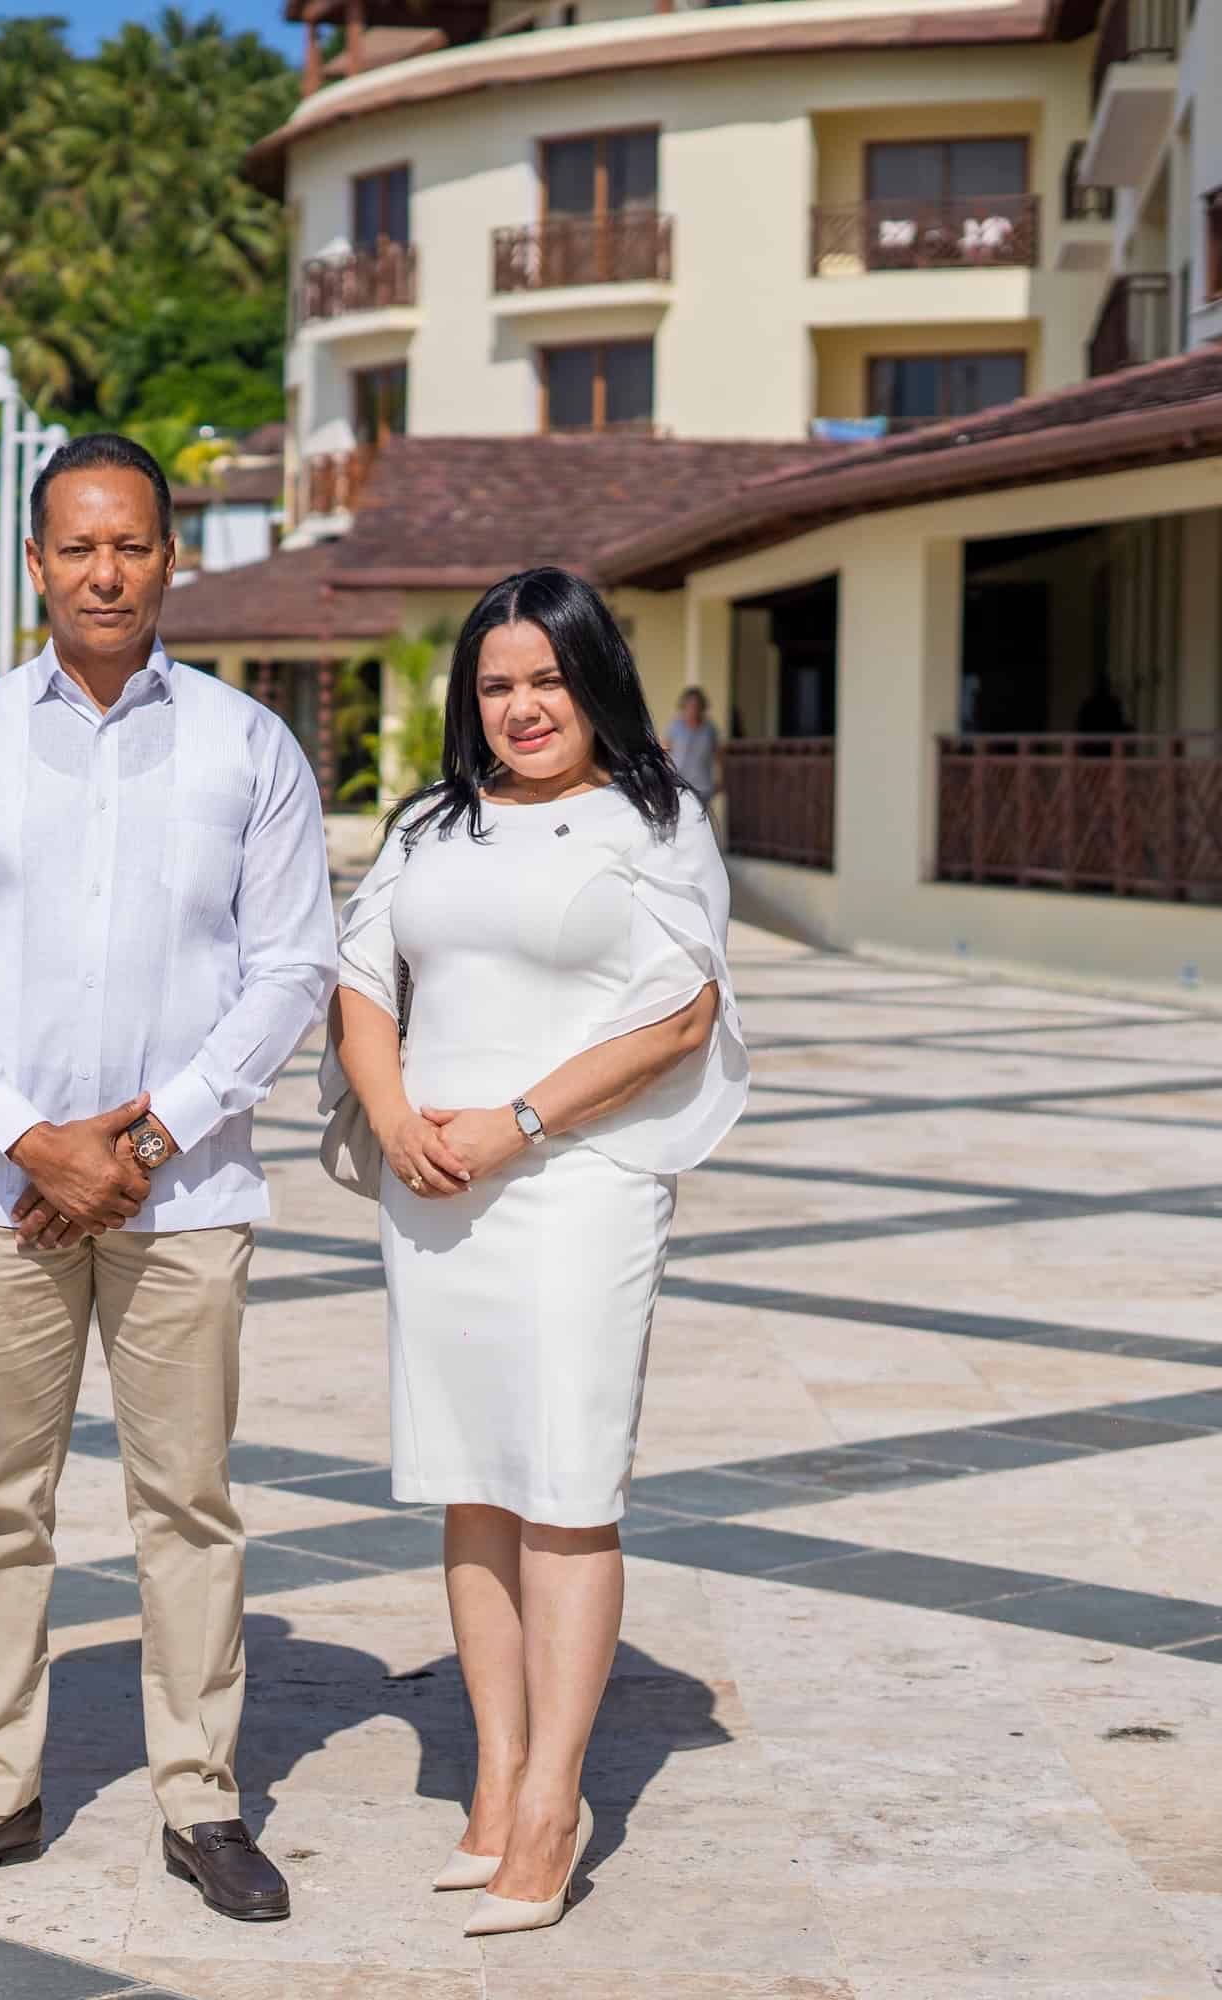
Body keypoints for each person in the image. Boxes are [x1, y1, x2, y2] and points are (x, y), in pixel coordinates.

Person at [0, 434, 339, 1923]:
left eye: (131, 544)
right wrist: (35, 1140)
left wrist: (142, 1142)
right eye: (77, 546)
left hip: (183, 1202)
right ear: (35, 563)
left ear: (170, 558)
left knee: (186, 1503)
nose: (105, 571)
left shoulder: (246, 747)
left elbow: (291, 969)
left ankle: (201, 1801)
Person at [326, 566, 746, 1937]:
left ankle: (556, 1801)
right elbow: (358, 979)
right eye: (497, 684)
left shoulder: (655, 821)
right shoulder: (429, 826)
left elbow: (681, 1018)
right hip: (435, 1184)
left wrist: (515, 1123)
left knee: (564, 1484)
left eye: (546, 680)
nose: (521, 707)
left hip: (577, 1183)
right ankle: (494, 1776)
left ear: (594, 680)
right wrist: (394, 1118)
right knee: (471, 1482)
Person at [663, 685, 719, 804]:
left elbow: (718, 755)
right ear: (684, 707)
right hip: (678, 784)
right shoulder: (675, 728)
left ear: (702, 707)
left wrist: (721, 779)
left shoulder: (710, 729)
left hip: (702, 787)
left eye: (696, 706)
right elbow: (665, 753)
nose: (693, 709)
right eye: (690, 705)